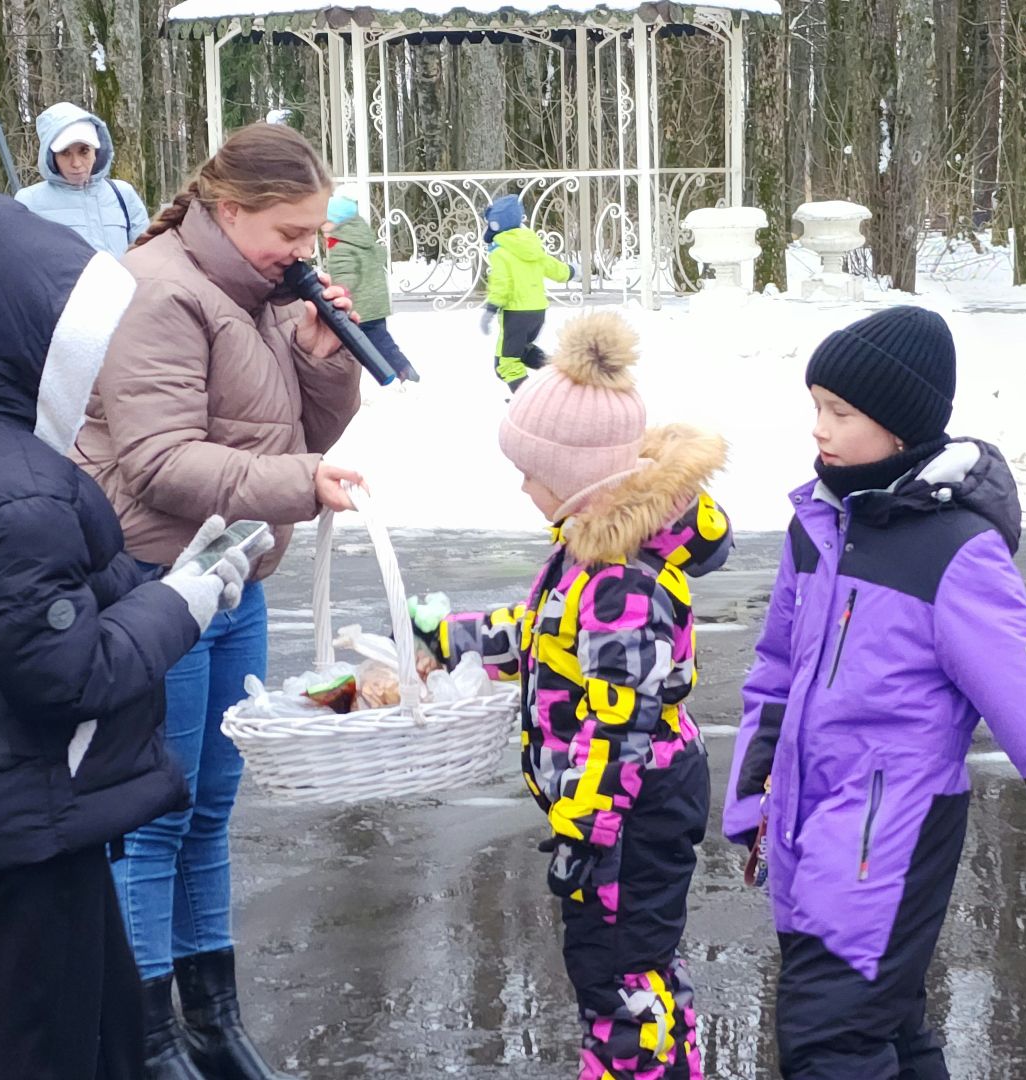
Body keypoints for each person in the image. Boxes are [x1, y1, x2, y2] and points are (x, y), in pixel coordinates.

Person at [720, 305, 1026, 1079]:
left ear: (900, 428)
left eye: (840, 412)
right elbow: (776, 673)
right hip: (806, 827)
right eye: (815, 408)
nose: (819, 429)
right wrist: (750, 797)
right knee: (885, 1030)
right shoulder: (817, 526)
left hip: (890, 833)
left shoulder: (954, 554)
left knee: (828, 1042)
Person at [0, 191, 252, 1080]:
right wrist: (186, 606)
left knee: (100, 1023)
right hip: (34, 807)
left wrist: (176, 577)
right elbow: (65, 671)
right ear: (28, 352)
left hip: (24, 806)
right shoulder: (25, 491)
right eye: (80, 352)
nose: (94, 375)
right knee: (43, 1041)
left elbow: (56, 600)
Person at [73, 120, 365, 1080]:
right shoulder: (161, 291)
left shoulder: (259, 290)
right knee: (157, 811)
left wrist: (324, 357)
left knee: (209, 809)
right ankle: (145, 1035)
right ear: (229, 210)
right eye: (291, 230)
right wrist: (299, 484)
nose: (306, 252)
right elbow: (160, 463)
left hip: (233, 576)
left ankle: (210, 1017)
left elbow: (289, 431)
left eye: (316, 233)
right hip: (158, 582)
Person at [413, 311, 731, 1080]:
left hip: (629, 810)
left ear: (585, 482)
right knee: (639, 966)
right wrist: (454, 638)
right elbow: (545, 634)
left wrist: (587, 830)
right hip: (622, 807)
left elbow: (623, 715)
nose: (523, 485)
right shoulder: (591, 551)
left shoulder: (620, 578)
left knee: (616, 976)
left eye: (534, 472)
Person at [17, 102, 151, 258]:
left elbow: (146, 257)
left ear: (97, 151)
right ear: (51, 157)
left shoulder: (122, 194)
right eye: (65, 153)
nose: (76, 163)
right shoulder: (29, 202)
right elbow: (23, 266)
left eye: (84, 151)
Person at [478, 193, 576, 391]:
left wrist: (491, 308)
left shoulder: (500, 251)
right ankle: (559, 370)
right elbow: (551, 266)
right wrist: (570, 272)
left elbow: (501, 283)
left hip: (515, 314)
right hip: (537, 312)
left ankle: (527, 399)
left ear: (495, 224)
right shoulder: (531, 245)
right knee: (520, 352)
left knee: (506, 365)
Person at [323, 192, 416, 380]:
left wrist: (337, 292)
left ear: (337, 222)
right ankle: (402, 368)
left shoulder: (341, 246)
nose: (322, 227)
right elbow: (380, 256)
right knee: (381, 341)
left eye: (325, 221)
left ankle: (392, 372)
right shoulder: (362, 239)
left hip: (359, 306)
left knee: (361, 346)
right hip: (376, 303)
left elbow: (344, 276)